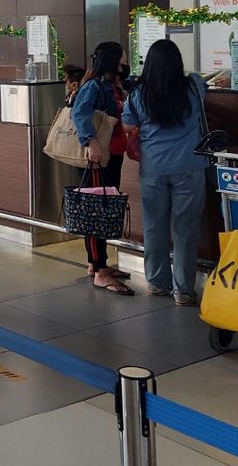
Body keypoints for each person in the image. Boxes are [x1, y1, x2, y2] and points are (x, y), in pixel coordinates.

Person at [122, 39, 209, 305]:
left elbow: (127, 127)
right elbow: (204, 82)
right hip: (190, 169)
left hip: (153, 169)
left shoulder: (138, 93)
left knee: (154, 227)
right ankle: (183, 290)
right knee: (185, 229)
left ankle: (157, 283)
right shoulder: (193, 87)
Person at [71, 41, 134, 295]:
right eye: (123, 58)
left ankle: (94, 262)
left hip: (111, 155)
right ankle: (100, 269)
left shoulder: (111, 85)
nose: (126, 63)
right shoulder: (95, 85)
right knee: (97, 210)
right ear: (113, 61)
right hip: (99, 155)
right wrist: (90, 140)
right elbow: (79, 112)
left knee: (102, 207)